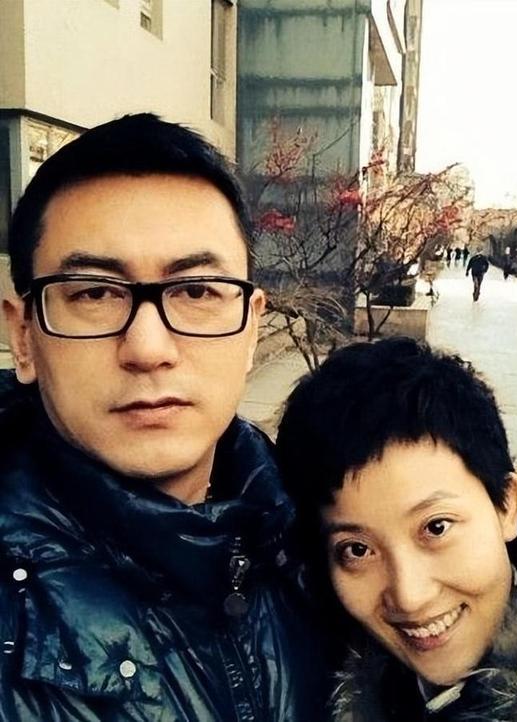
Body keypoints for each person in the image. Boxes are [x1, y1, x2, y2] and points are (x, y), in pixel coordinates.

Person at [0, 113, 328, 721]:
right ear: (24, 337)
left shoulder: (327, 548)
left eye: (196, 291)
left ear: (251, 328)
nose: (148, 348)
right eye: (94, 293)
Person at [276, 337, 517, 721]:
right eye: (357, 550)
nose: (410, 597)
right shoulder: (328, 673)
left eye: (436, 527)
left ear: (507, 506)